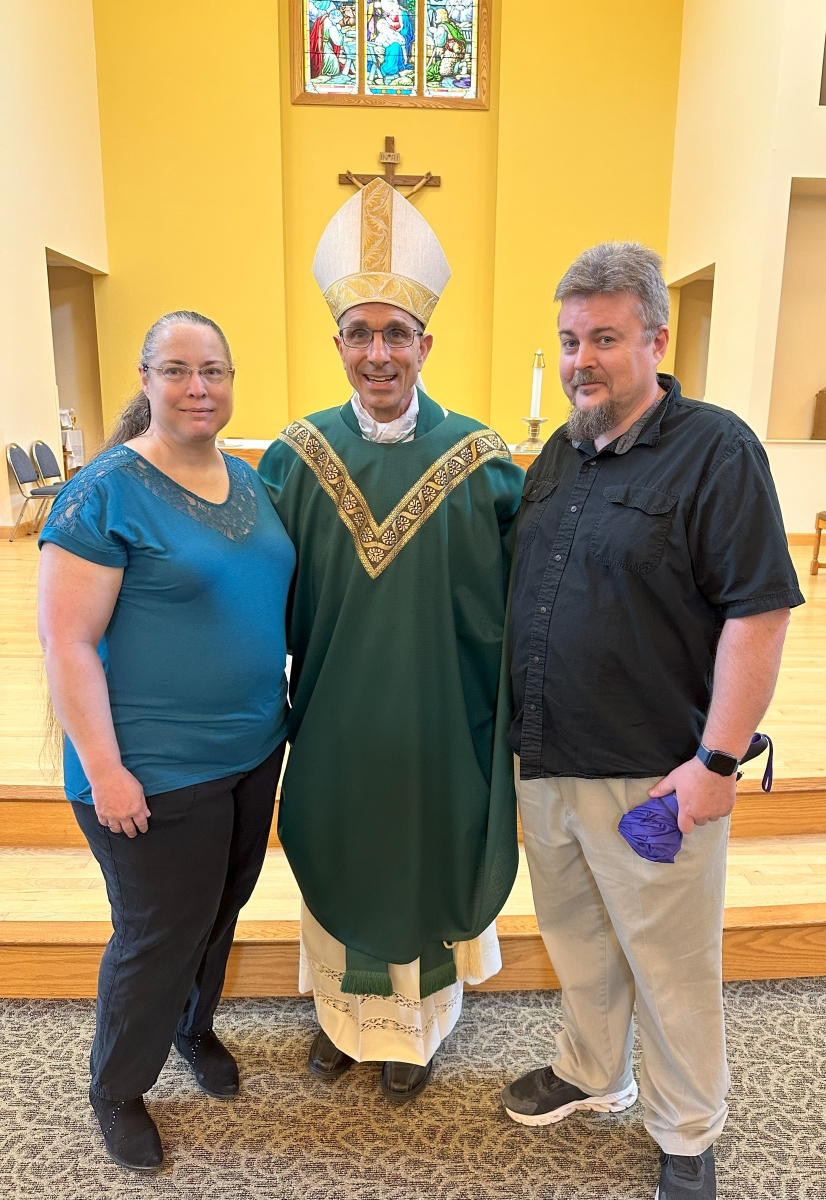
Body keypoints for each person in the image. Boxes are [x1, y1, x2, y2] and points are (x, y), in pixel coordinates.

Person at [501, 243, 804, 1200]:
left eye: (604, 338)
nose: (582, 359)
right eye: (568, 340)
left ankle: (686, 1130)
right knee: (580, 941)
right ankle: (595, 1073)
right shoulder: (560, 450)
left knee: (671, 966)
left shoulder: (718, 449)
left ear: (655, 339)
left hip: (654, 774)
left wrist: (717, 761)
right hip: (548, 762)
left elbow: (758, 612)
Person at [258, 179, 523, 1103]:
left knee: (424, 857)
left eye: (395, 333)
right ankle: (342, 1024)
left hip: (442, 721)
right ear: (337, 344)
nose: (379, 353)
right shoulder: (293, 457)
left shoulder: (485, 463)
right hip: (333, 716)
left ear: (425, 343)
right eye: (360, 334)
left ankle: (412, 1039)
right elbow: (254, 594)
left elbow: (522, 600)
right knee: (339, 850)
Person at [38, 311, 296, 1172]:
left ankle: (194, 1029)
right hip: (150, 767)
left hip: (253, 749)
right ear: (146, 380)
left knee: (219, 910)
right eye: (179, 371)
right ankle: (116, 1084)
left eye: (214, 371)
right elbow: (67, 643)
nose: (199, 388)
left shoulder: (252, 481)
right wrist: (107, 772)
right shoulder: (104, 490)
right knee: (157, 932)